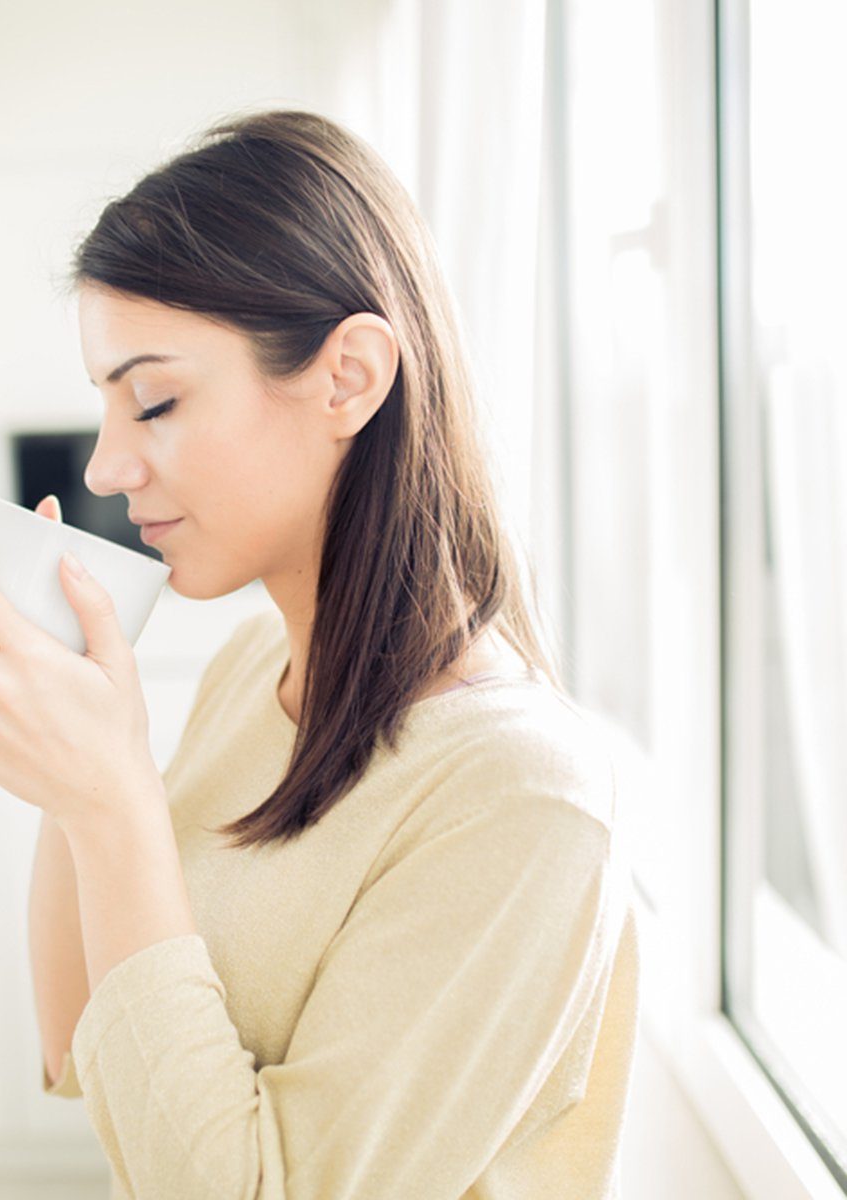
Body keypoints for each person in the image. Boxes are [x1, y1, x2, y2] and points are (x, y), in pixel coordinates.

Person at [31, 107, 640, 1199]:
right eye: (105, 409)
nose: (108, 469)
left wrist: (111, 802)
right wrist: (68, 767)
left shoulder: (519, 796)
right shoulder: (248, 677)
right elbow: (86, 1044)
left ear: (349, 376)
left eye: (155, 400)